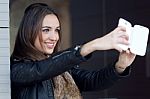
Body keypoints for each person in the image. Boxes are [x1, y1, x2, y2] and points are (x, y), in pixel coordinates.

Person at [10, 3, 136, 99]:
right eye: (46, 30)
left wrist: (121, 65)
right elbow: (40, 70)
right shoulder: (16, 69)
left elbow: (92, 81)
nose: (54, 37)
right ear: (29, 32)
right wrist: (93, 45)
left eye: (57, 30)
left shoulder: (61, 67)